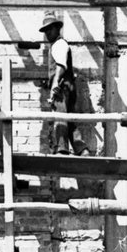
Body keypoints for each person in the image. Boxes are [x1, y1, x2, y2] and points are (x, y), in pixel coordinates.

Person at [41, 17, 96, 156]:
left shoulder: (59, 44)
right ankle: (81, 149)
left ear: (57, 29)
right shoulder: (59, 44)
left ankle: (62, 149)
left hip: (61, 87)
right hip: (67, 87)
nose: (47, 33)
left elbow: (61, 66)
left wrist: (54, 85)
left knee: (60, 117)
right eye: (45, 30)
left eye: (49, 29)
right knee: (69, 119)